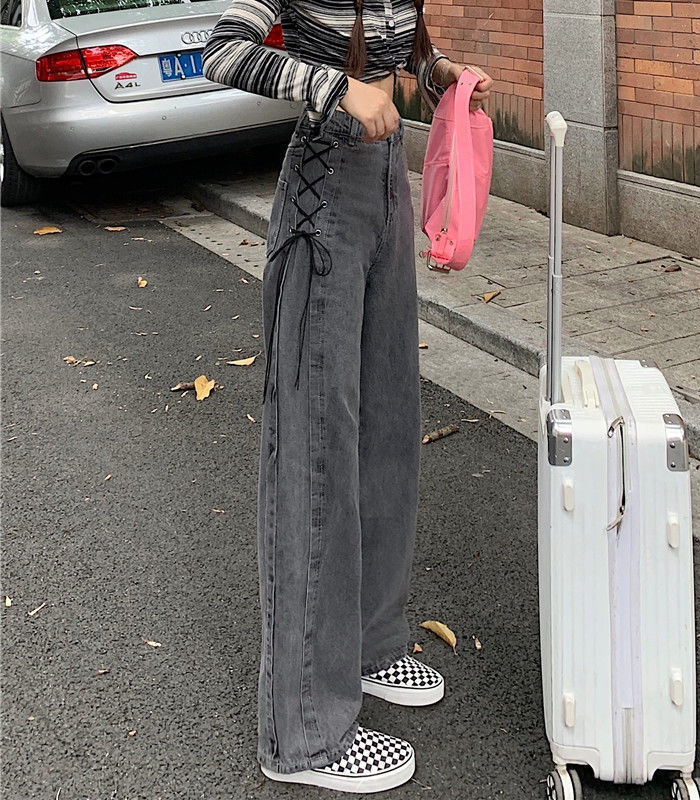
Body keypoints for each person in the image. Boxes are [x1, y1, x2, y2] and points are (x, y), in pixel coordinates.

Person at [202, 0, 492, 792]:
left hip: (384, 186)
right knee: (317, 453)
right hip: (321, 198)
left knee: (389, 426)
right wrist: (337, 88)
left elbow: (400, 45)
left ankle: (368, 643)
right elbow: (222, 51)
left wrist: (440, 76)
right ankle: (301, 733)